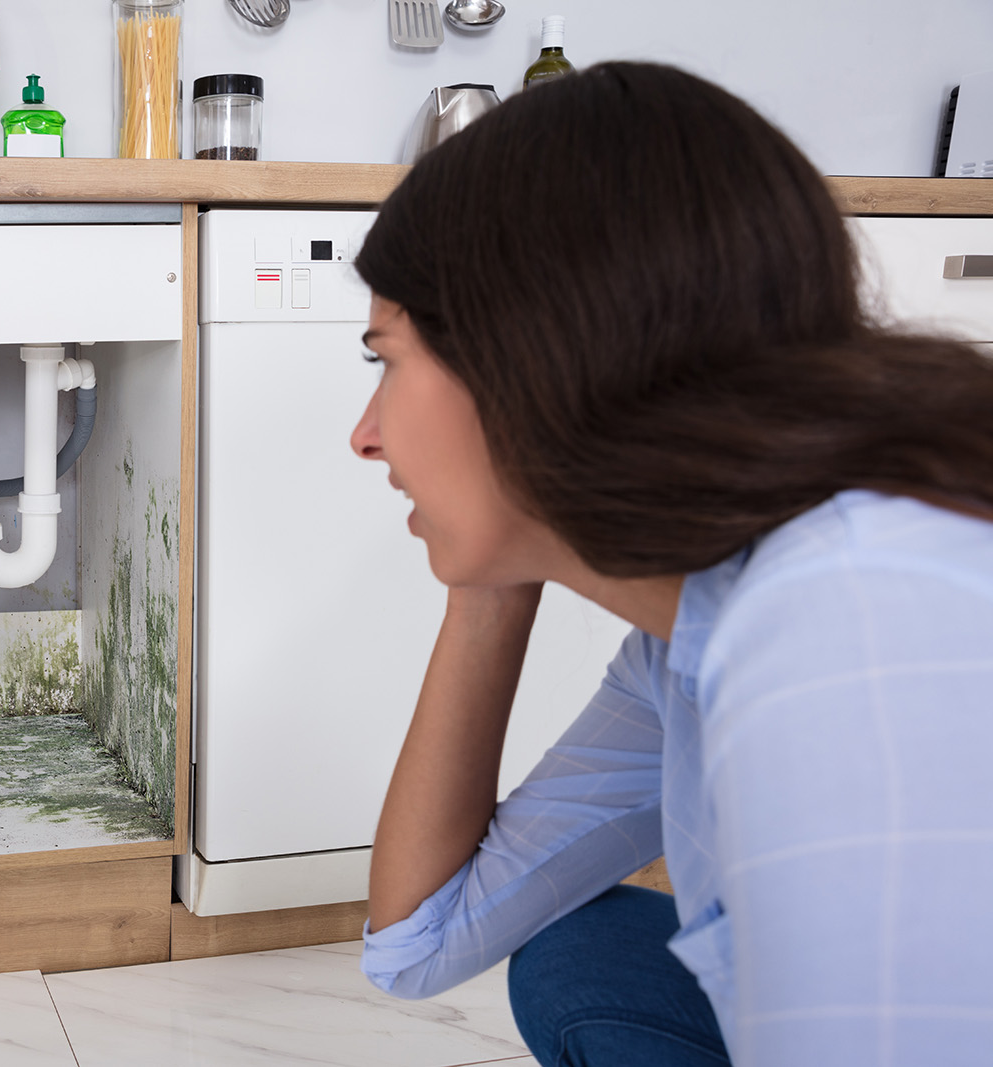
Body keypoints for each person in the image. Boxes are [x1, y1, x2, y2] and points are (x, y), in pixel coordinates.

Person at [350, 61, 993, 1067]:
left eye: (383, 358)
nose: (364, 434)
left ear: (533, 351)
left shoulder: (852, 632)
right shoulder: (689, 636)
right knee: (580, 955)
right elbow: (414, 944)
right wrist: (488, 575)